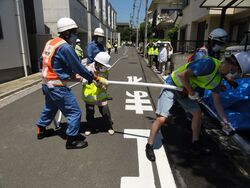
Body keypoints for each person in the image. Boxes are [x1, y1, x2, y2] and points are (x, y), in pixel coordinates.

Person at [145, 53, 243, 161]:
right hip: (172, 85)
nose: (234, 74)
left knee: (197, 113)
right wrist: (192, 92)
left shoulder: (218, 79)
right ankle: (149, 145)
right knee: (162, 118)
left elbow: (217, 102)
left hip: (185, 92)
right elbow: (182, 75)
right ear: (231, 65)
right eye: (235, 71)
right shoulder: (208, 64)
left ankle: (195, 142)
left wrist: (224, 120)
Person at [36, 17, 108, 149]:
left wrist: (74, 76)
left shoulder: (51, 43)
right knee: (74, 112)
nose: (76, 35)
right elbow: (78, 67)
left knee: (50, 108)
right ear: (67, 32)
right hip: (57, 86)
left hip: (46, 83)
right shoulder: (65, 47)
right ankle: (72, 139)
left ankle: (41, 129)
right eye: (74, 32)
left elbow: (49, 63)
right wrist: (95, 79)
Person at [81, 52, 114, 136]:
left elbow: (105, 82)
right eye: (104, 66)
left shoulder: (105, 71)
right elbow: (82, 80)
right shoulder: (88, 68)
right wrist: (85, 80)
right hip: (89, 96)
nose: (105, 68)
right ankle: (89, 127)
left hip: (101, 95)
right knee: (90, 113)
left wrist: (103, 86)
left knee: (105, 112)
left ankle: (109, 126)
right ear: (98, 63)